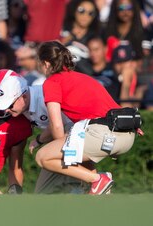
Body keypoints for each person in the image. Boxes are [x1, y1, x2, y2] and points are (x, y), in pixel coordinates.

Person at [30, 41, 141, 195]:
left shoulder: (52, 82)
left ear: (46, 64)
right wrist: (40, 139)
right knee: (77, 157)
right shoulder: (81, 77)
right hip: (126, 133)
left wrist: (54, 151)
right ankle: (95, 188)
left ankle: (98, 180)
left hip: (102, 133)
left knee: (43, 157)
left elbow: (57, 126)